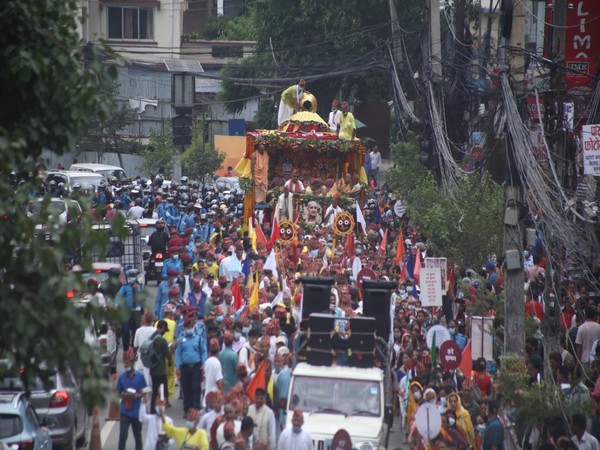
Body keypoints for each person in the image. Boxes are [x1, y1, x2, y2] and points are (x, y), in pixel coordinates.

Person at [116, 350, 147, 450]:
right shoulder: (121, 377)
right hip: (125, 411)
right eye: (125, 363)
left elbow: (145, 390)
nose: (126, 365)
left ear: (133, 363)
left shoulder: (140, 376)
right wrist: (124, 395)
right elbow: (117, 392)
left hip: (137, 412)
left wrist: (139, 395)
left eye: (128, 363)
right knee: (123, 436)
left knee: (138, 437)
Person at [175, 316, 204, 415]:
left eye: (191, 326)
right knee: (186, 390)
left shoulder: (198, 338)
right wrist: (177, 367)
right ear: (185, 327)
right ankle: (187, 410)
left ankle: (195, 409)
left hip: (196, 366)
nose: (190, 328)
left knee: (196, 388)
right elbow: (178, 353)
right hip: (185, 368)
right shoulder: (181, 339)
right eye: (188, 326)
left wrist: (204, 364)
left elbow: (203, 351)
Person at [149, 319, 171, 413]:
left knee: (154, 390)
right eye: (164, 330)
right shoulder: (162, 340)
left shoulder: (151, 337)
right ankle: (160, 409)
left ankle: (152, 409)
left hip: (152, 368)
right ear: (162, 328)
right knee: (162, 390)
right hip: (161, 370)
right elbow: (167, 354)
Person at [204, 338, 225, 405]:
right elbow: (219, 381)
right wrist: (222, 393)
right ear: (218, 349)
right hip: (215, 398)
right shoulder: (217, 363)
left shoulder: (207, 361)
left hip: (207, 396)